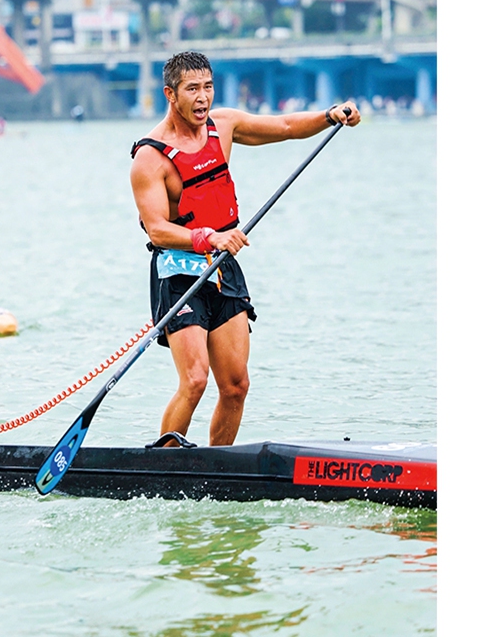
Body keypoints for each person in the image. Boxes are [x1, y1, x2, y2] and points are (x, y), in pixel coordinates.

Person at [130, 51, 361, 447]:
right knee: (196, 379)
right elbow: (157, 229)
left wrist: (329, 115)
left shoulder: (224, 125)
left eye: (208, 87)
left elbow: (286, 125)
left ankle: (218, 469)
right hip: (178, 273)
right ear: (171, 94)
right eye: (192, 90)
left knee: (236, 385)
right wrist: (209, 236)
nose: (203, 98)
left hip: (223, 269)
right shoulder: (149, 158)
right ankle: (163, 464)